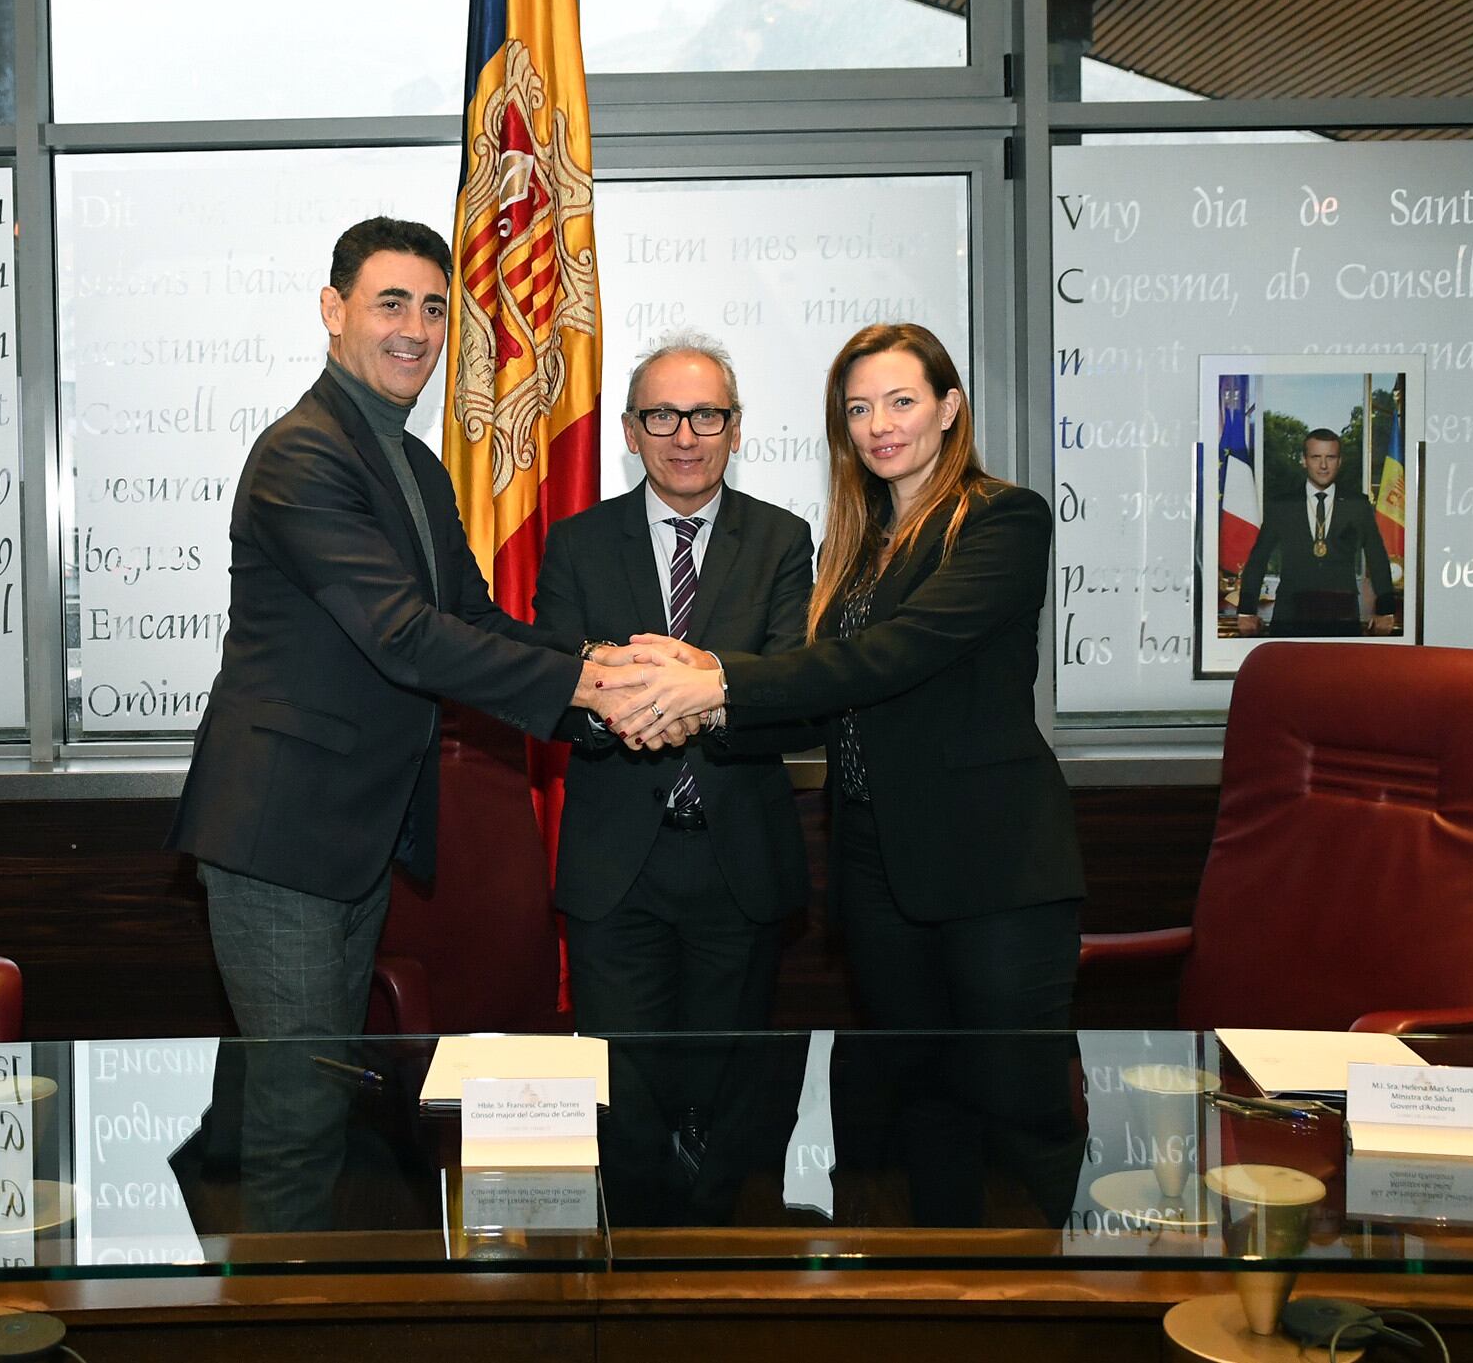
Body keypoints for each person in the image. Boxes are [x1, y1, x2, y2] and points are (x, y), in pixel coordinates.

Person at [164, 217, 626, 1227]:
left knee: (317, 1094)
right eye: (389, 303)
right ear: (333, 313)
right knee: (296, 1115)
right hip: (281, 837)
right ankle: (277, 1328)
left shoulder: (410, 466)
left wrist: (601, 666)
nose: (414, 328)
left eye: (430, 307)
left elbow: (470, 620)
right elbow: (404, 636)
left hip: (349, 832)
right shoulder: (301, 453)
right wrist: (588, 690)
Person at [601, 322, 1085, 1034]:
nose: (878, 426)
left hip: (988, 863)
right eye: (858, 409)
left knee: (1007, 1102)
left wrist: (715, 683)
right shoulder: (853, 548)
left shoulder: (1001, 520)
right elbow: (817, 694)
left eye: (900, 402)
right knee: (894, 1103)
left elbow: (893, 654)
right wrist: (695, 703)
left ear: (949, 408)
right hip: (873, 856)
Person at [533, 336, 813, 1218]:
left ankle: (726, 1291)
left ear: (736, 430)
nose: (684, 435)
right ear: (629, 428)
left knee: (730, 1099)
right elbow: (556, 685)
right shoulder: (577, 543)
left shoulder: (782, 539)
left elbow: (797, 690)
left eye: (707, 415)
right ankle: (632, 1290)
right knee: (625, 1097)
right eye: (662, 414)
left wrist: (694, 690)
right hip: (621, 870)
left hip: (738, 860)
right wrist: (653, 699)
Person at [1235, 428, 1398, 638]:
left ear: (1339, 461)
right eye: (1316, 457)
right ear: (1304, 460)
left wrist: (1386, 608)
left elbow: (1377, 556)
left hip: (1342, 615)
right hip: (1289, 615)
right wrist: (1247, 610)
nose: (1323, 465)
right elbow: (1259, 559)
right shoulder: (1282, 505)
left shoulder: (1357, 504)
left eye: (1330, 457)